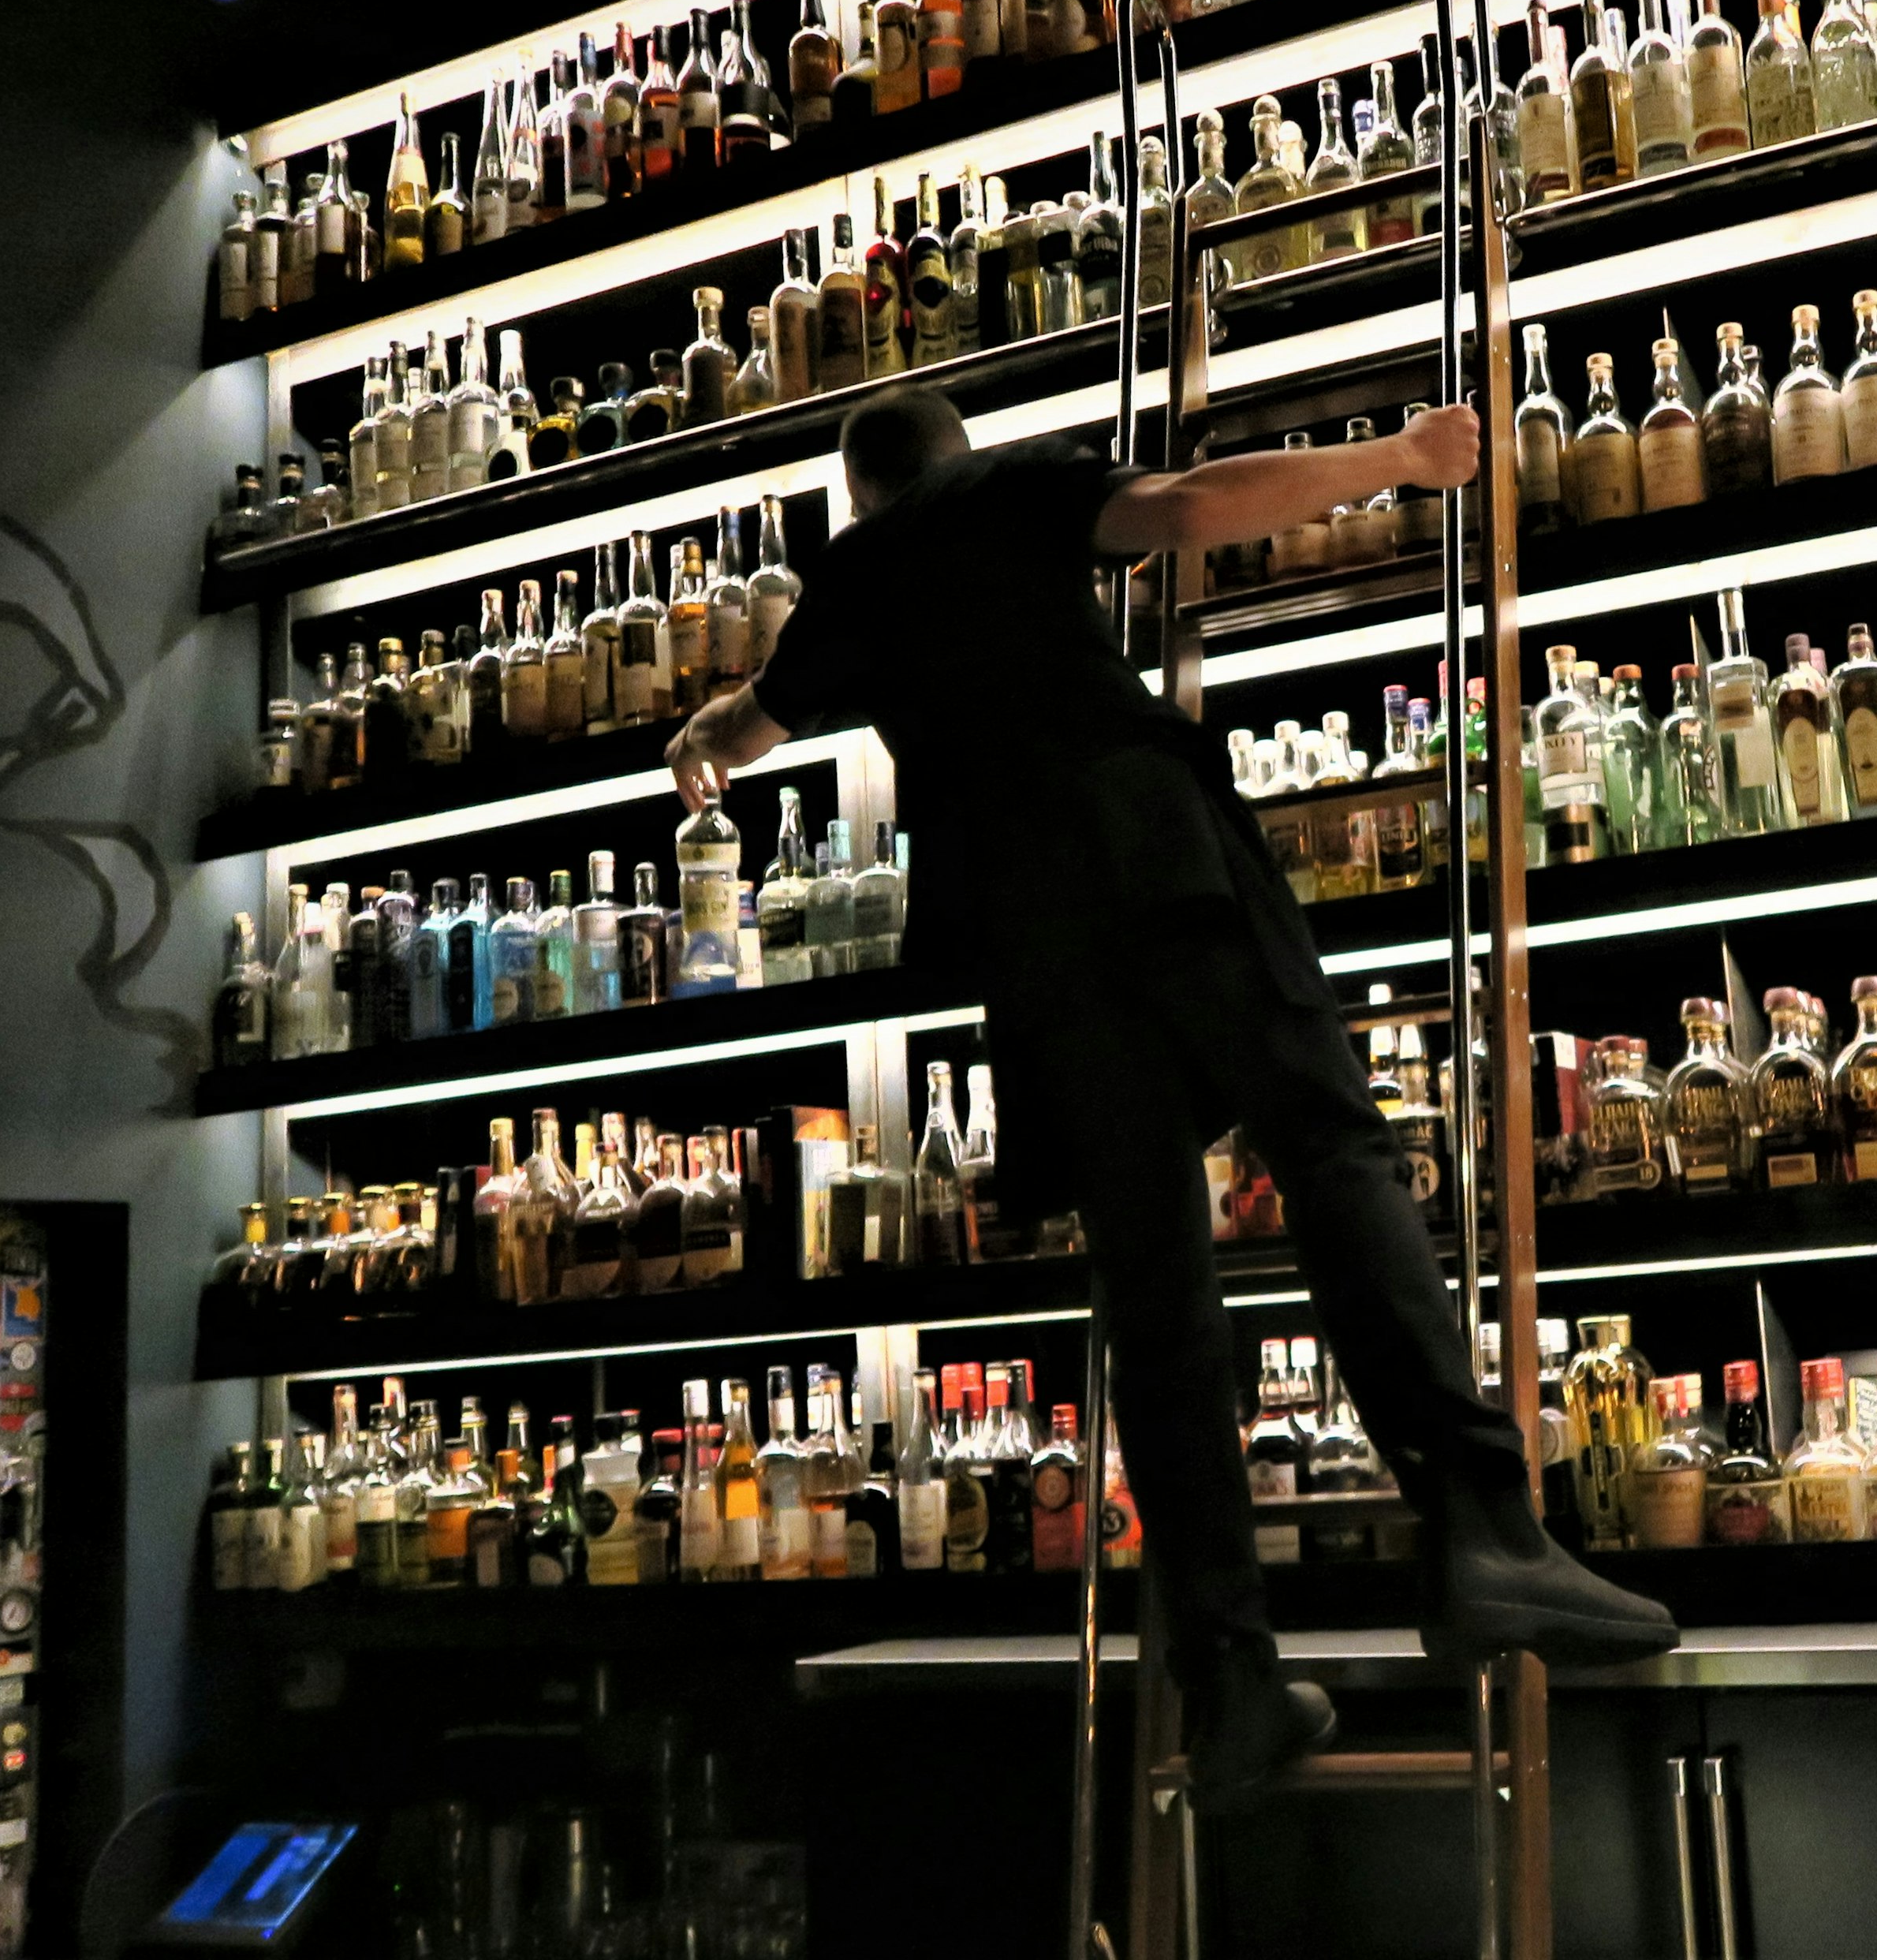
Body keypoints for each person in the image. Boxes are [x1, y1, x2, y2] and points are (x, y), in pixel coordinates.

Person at [665, 390, 1677, 1805]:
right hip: (1153, 856)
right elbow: (1192, 507)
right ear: (956, 459)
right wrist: (1399, 458)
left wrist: (703, 737)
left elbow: (754, 718)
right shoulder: (1004, 487)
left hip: (1028, 945)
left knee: (1156, 1292)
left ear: (857, 491)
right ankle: (1482, 1530)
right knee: (1330, 1146)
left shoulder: (848, 582)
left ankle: (1234, 1687)